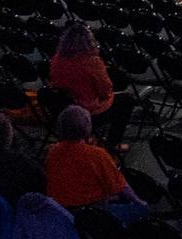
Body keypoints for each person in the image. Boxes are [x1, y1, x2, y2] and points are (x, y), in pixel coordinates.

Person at [45, 106, 149, 225]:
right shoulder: (97, 154)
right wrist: (139, 202)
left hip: (61, 212)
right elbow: (120, 187)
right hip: (91, 215)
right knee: (141, 209)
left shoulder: (53, 151)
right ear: (87, 128)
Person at [48, 19, 134, 150]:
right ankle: (113, 143)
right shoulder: (92, 62)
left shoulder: (56, 60)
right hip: (89, 112)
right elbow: (105, 92)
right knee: (127, 100)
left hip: (64, 110)